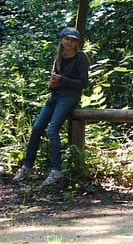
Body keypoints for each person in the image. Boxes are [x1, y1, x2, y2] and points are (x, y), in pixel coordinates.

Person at [13, 27, 89, 186]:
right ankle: (27, 166)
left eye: (73, 40)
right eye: (67, 39)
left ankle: (56, 170)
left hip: (69, 97)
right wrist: (53, 83)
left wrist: (62, 80)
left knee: (52, 130)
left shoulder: (81, 57)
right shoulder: (59, 58)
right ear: (61, 40)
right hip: (55, 96)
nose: (70, 42)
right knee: (36, 128)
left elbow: (83, 83)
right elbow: (53, 86)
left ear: (77, 43)